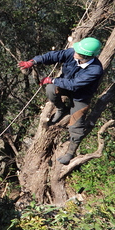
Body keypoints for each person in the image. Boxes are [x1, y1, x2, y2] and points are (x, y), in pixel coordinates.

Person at [18, 37, 104, 165]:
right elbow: (53, 56)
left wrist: (53, 80)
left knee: (76, 124)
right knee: (50, 89)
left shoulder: (95, 70)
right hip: (65, 86)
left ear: (87, 56)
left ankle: (70, 152)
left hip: (81, 96)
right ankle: (61, 108)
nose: (74, 51)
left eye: (78, 51)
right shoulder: (72, 53)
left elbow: (75, 84)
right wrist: (33, 61)